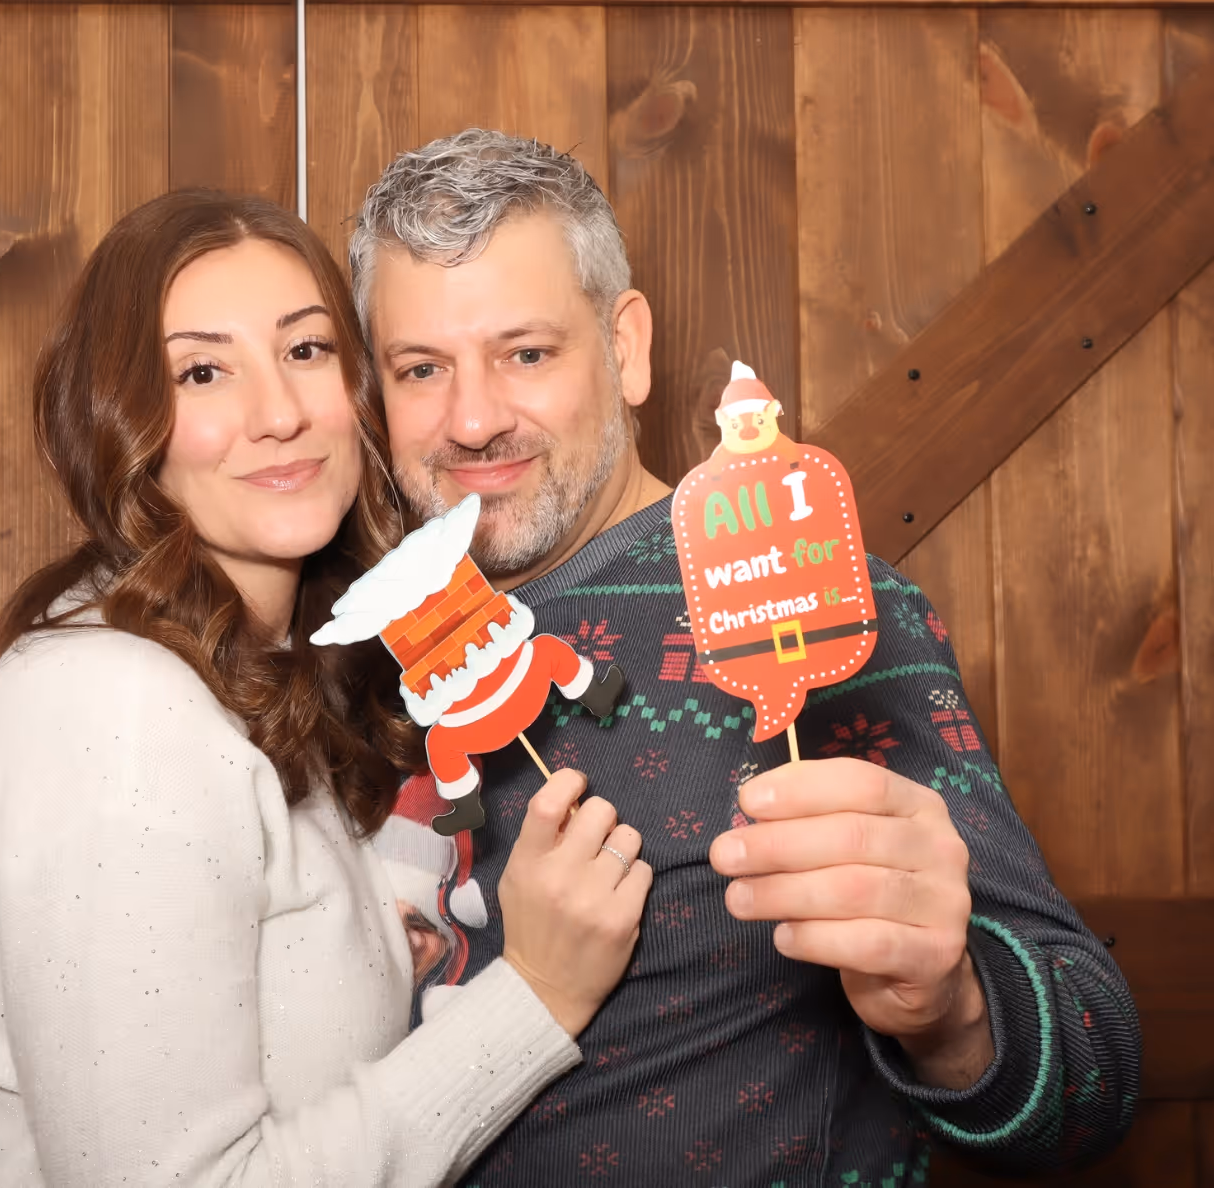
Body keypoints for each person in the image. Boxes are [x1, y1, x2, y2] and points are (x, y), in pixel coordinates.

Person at [350, 130, 1140, 1184]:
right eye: (421, 370)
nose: (475, 418)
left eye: (526, 353)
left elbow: (1094, 1076)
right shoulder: (363, 655)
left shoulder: (805, 611)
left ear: (625, 348)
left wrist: (951, 1010)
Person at [0, 188, 653, 1187]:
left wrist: (381, 943)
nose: (280, 414)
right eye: (203, 371)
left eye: (305, 350)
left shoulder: (262, 673)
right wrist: (538, 996)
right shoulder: (113, 710)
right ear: (119, 415)